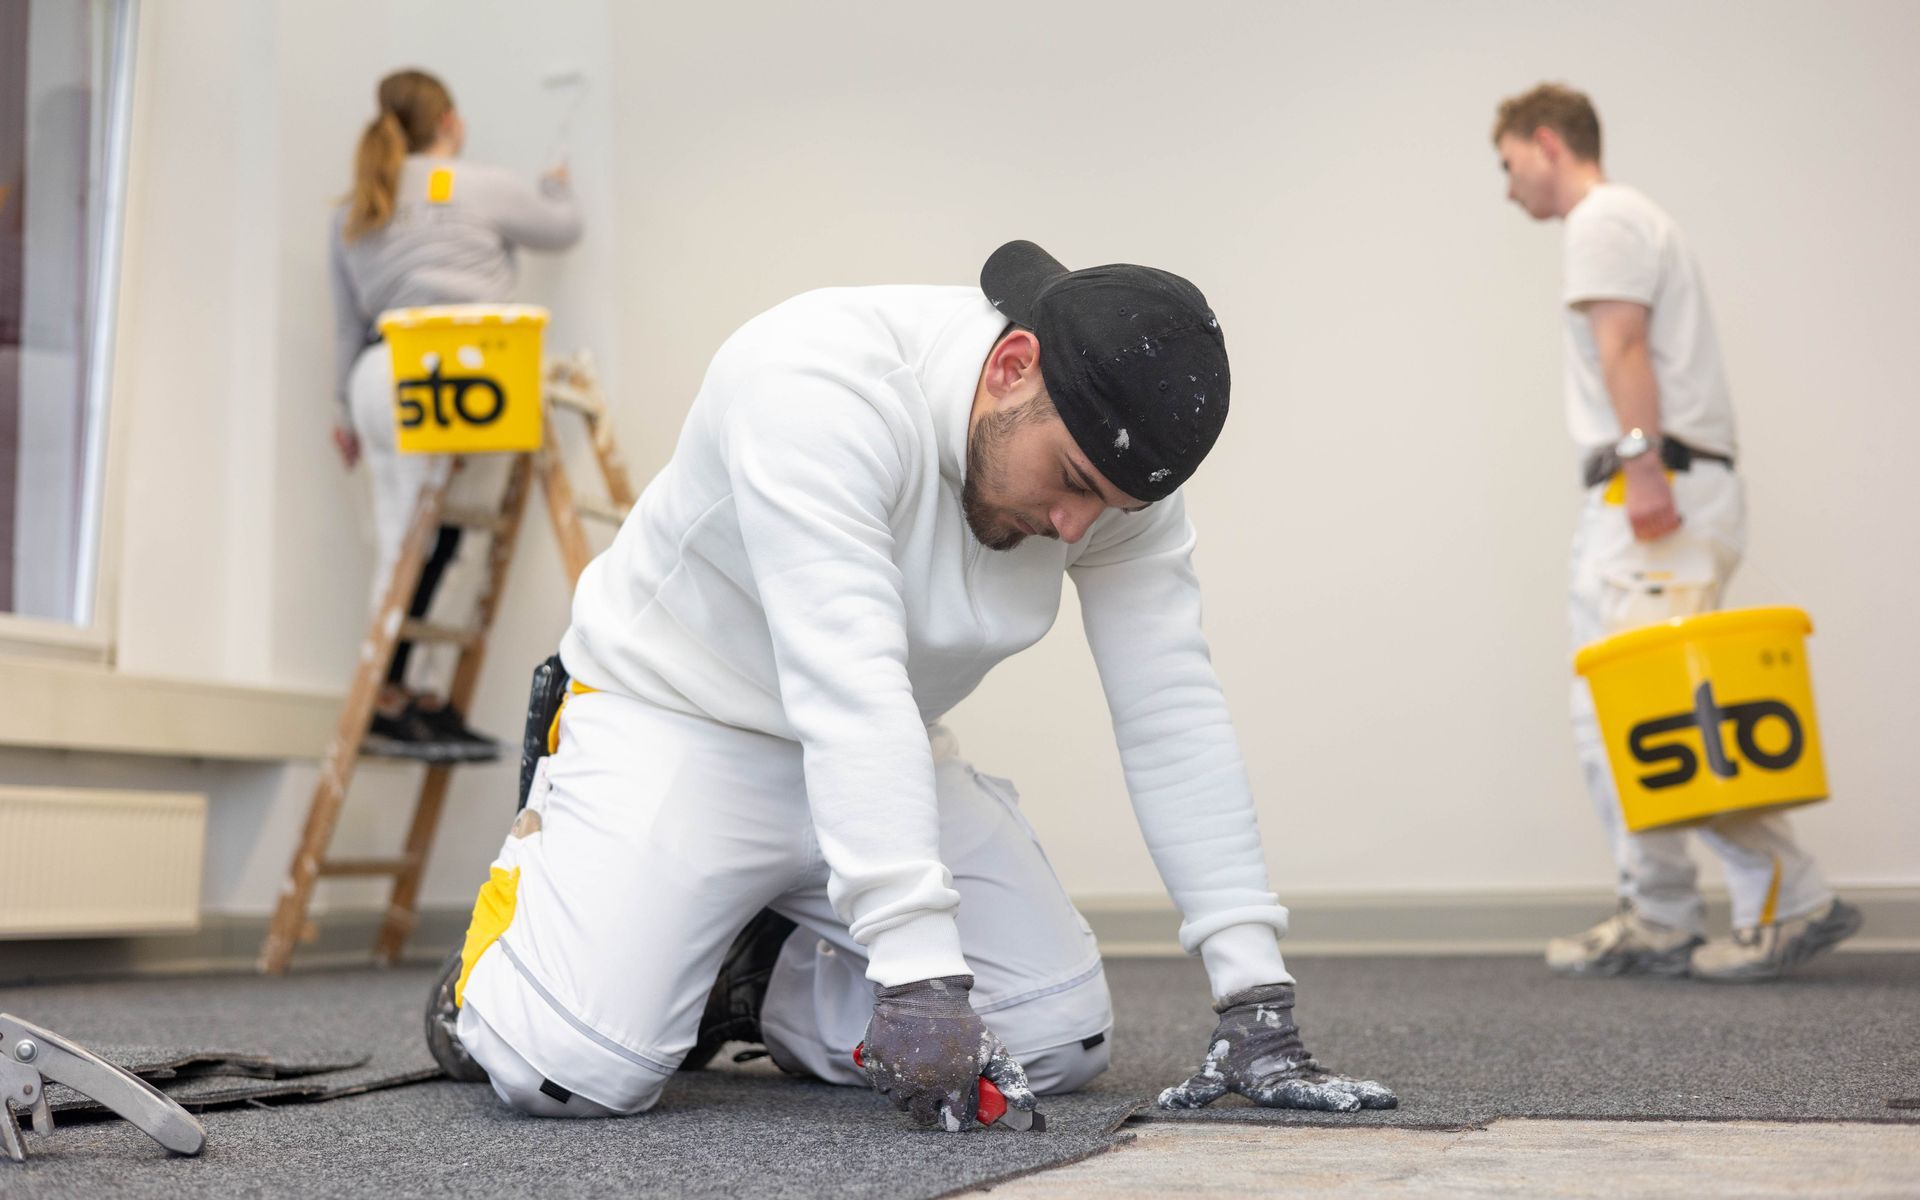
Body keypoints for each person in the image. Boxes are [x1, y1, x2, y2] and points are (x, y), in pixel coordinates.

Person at [425, 240, 1398, 1128]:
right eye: (1069, 481)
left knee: (1059, 1037)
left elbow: (1170, 709)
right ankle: (492, 978)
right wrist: (918, 973)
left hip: (879, 753)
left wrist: (1252, 996)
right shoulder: (813, 382)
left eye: (1111, 507)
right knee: (568, 1068)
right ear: (1012, 367)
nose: (1075, 530)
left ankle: (756, 979)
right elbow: (846, 682)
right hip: (676, 717)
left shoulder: (1113, 476)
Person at [1492, 83, 1860, 981]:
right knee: (1614, 716)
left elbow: (1624, 347)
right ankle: (1657, 911)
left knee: (1661, 714)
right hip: (1642, 490)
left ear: (1547, 142)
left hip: (1652, 488)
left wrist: (1642, 465)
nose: (1507, 189)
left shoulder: (1603, 218)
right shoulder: (1620, 221)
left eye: (1508, 165)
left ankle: (1789, 896)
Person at [328, 68, 583, 760]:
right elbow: (562, 227)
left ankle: (397, 693)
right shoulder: (476, 183)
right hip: (469, 366)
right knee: (453, 537)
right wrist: (555, 183)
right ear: (448, 122)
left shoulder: (359, 205)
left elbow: (347, 325)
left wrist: (343, 415)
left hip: (382, 371)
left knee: (400, 535)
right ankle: (408, 697)